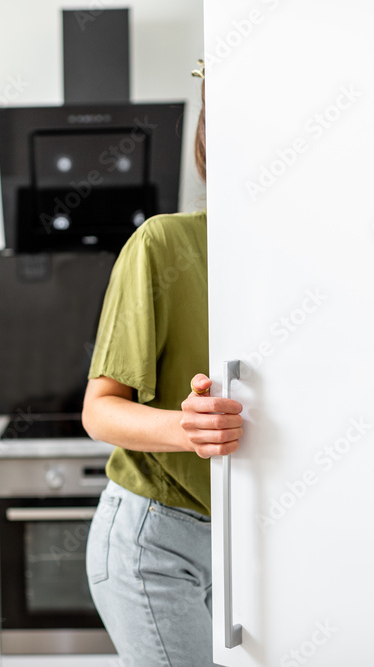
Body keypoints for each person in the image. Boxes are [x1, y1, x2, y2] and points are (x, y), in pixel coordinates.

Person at [82, 76, 244, 666]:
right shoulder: (164, 243)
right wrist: (188, 428)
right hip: (155, 544)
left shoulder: (287, 262)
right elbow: (98, 410)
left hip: (241, 541)